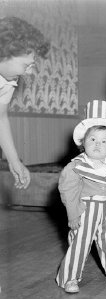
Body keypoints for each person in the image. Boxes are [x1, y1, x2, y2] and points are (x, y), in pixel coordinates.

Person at [56, 100, 106, 294]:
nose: (98, 144)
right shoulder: (76, 166)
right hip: (84, 211)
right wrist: (73, 216)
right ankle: (70, 278)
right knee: (80, 244)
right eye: (92, 140)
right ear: (83, 143)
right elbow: (69, 192)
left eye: (104, 141)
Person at [0, 16, 49, 189]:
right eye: (25, 65)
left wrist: (14, 161)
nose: (28, 72)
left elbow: (0, 118)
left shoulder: (7, 81)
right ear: (4, 55)